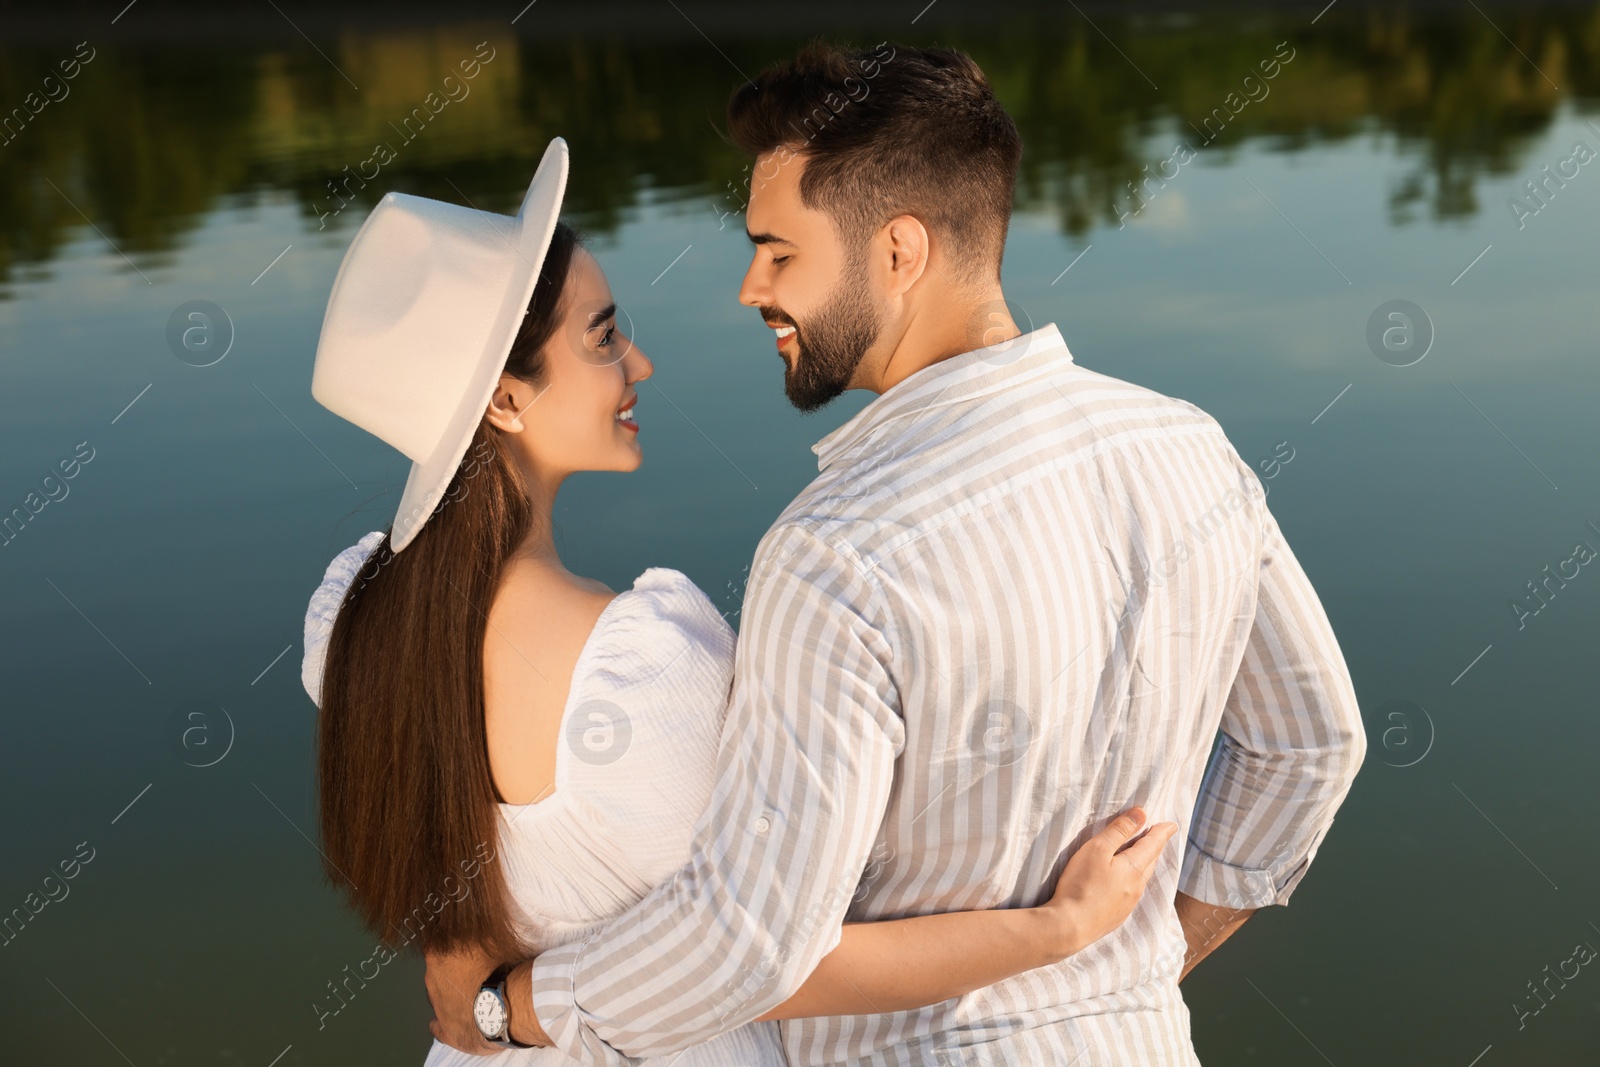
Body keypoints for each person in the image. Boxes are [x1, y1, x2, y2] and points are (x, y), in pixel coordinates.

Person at [423, 42, 1367, 1065]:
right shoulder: (1188, 450)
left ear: (899, 252)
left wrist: (505, 1008)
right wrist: (1131, 972)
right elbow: (1308, 744)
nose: (750, 288)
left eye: (780, 252)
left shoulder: (836, 550)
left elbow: (749, 934)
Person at [302, 134, 1179, 1066]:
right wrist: (1058, 926)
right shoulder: (637, 666)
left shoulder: (352, 622)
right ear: (507, 402)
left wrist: (487, 1006)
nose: (638, 366)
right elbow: (774, 957)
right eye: (603, 338)